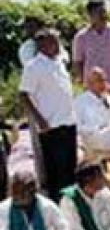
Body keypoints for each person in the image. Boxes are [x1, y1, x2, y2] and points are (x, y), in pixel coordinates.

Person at [20, 29, 78, 201]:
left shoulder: (59, 62)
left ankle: (71, 205)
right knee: (56, 172)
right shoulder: (34, 67)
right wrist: (40, 120)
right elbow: (24, 94)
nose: (58, 45)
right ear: (43, 44)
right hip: (51, 126)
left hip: (68, 121)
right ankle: (57, 205)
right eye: (54, 41)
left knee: (70, 168)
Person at [72, 0, 110, 101]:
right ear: (90, 15)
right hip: (93, 88)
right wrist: (85, 81)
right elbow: (78, 62)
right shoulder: (81, 37)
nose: (103, 15)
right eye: (99, 12)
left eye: (104, 11)